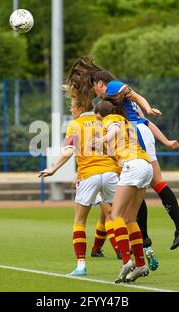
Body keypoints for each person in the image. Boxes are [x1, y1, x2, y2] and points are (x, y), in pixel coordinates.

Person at [66, 56, 179, 264]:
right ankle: (147, 241)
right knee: (138, 193)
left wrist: (148, 107)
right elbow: (144, 120)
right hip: (135, 138)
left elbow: (137, 100)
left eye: (94, 88)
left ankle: (165, 233)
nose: (96, 94)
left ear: (100, 83)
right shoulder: (114, 104)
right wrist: (166, 141)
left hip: (135, 141)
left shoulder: (114, 87)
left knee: (145, 191)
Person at [39, 91, 120, 277]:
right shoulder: (105, 120)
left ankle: (81, 266)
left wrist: (53, 168)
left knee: (80, 220)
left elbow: (68, 151)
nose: (70, 109)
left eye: (72, 106)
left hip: (89, 175)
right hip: (110, 173)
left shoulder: (74, 125)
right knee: (119, 217)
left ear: (81, 108)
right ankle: (129, 260)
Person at [93, 100, 153, 283]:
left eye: (97, 118)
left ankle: (127, 262)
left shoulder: (109, 120)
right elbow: (117, 147)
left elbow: (114, 131)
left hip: (133, 165)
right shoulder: (124, 120)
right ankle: (141, 264)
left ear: (100, 114)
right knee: (129, 219)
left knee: (116, 214)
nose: (97, 122)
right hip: (145, 165)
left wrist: (101, 140)